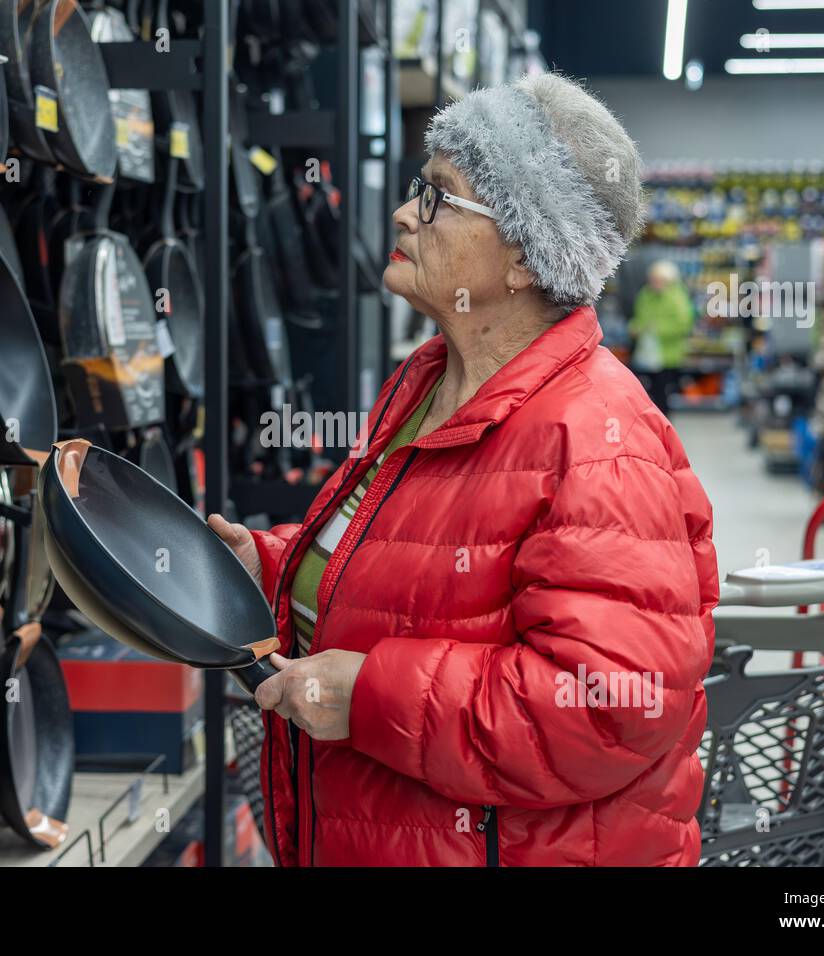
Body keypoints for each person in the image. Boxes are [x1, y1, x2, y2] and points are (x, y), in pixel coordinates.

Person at [208, 73, 717, 866]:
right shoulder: (428, 381)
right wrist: (269, 569)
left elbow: (609, 708)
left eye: (440, 196)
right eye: (419, 187)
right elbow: (408, 571)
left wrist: (373, 695)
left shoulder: (597, 441)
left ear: (523, 255)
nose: (406, 213)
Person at [629, 259, 695, 414]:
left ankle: (663, 426)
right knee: (644, 390)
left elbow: (683, 324)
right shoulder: (645, 294)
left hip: (667, 355)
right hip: (645, 354)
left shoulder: (677, 297)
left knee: (662, 393)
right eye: (653, 279)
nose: (654, 282)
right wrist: (634, 328)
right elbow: (639, 318)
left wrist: (655, 330)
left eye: (658, 279)